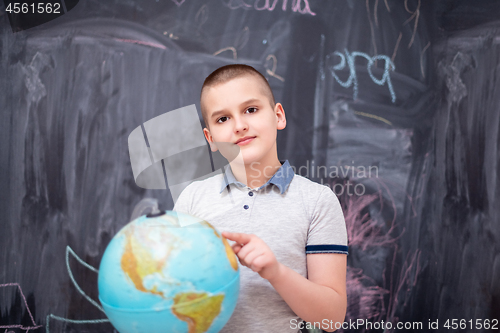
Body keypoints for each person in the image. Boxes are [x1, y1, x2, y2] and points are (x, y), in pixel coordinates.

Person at [173, 64, 348, 333]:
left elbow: (331, 319)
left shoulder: (317, 202)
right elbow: (170, 296)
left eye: (251, 110)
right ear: (210, 139)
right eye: (222, 119)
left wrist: (276, 272)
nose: (240, 126)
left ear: (278, 116)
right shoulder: (192, 200)